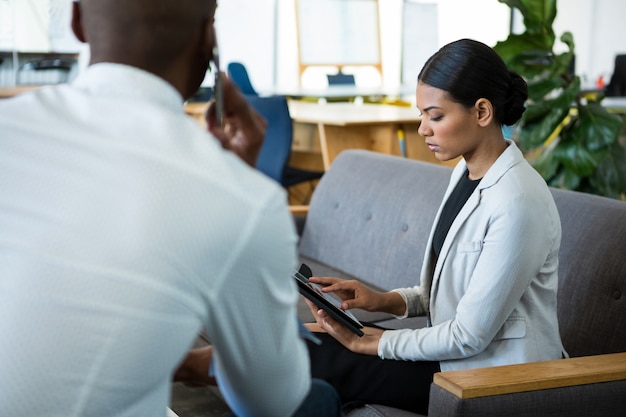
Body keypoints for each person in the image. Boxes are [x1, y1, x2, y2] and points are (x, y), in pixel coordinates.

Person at [0, 1, 342, 416]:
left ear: (76, 20)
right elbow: (271, 402)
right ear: (208, 40)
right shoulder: (237, 194)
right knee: (317, 401)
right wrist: (246, 186)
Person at [303, 38, 567, 415]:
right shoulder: (465, 172)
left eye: (435, 116)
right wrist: (384, 301)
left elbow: (468, 335)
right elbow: (446, 296)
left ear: (481, 112)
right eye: (422, 114)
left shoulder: (517, 202)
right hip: (454, 358)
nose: (422, 129)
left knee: (319, 360)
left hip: (492, 376)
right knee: (310, 343)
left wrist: (372, 343)